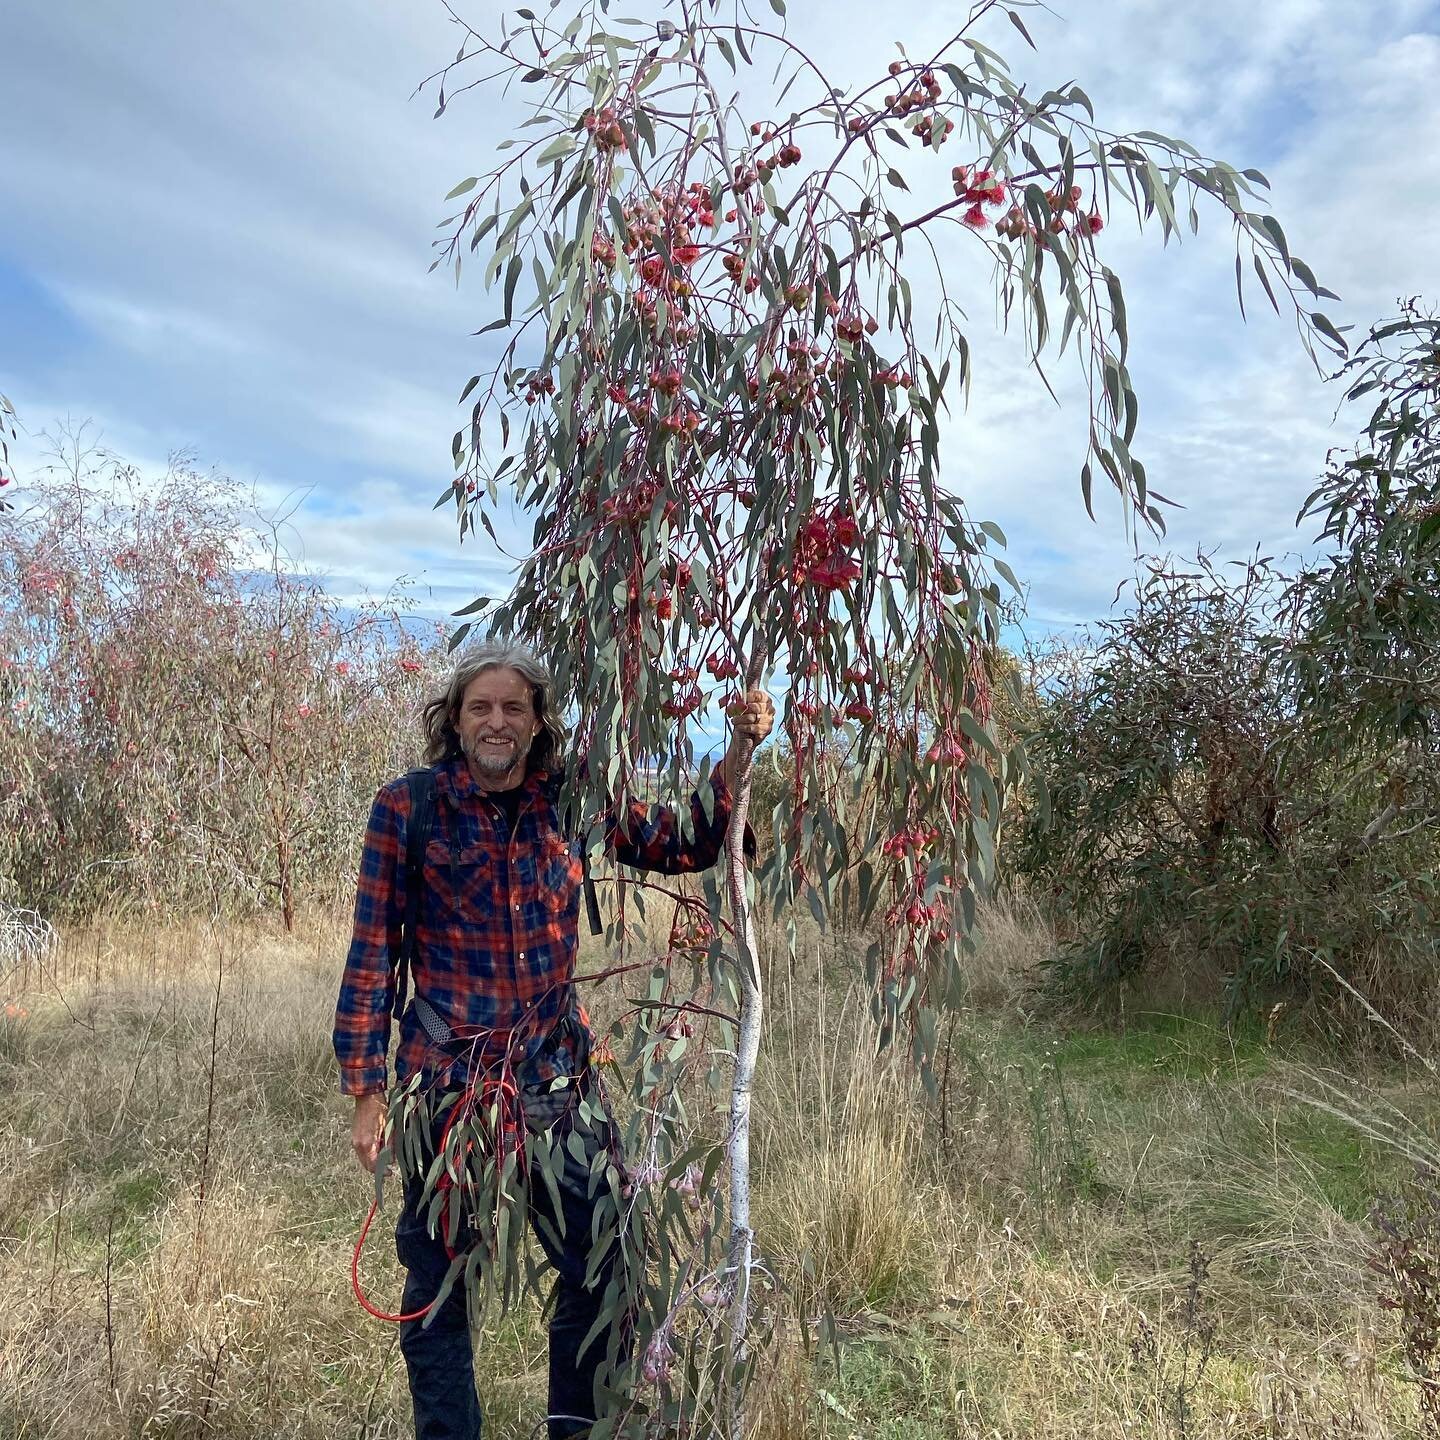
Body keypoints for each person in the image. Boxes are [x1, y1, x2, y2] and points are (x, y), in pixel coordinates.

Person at [333, 639, 775, 1440]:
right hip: (446, 1089)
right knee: (436, 1295)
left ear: (538, 723)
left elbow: (686, 842)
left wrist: (739, 753)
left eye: (513, 707)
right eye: (480, 707)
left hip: (556, 1081)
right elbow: (373, 954)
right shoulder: (408, 807)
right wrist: (369, 1093)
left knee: (605, 1269)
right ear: (455, 721)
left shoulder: (573, 800)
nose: (496, 721)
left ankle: (577, 1427)